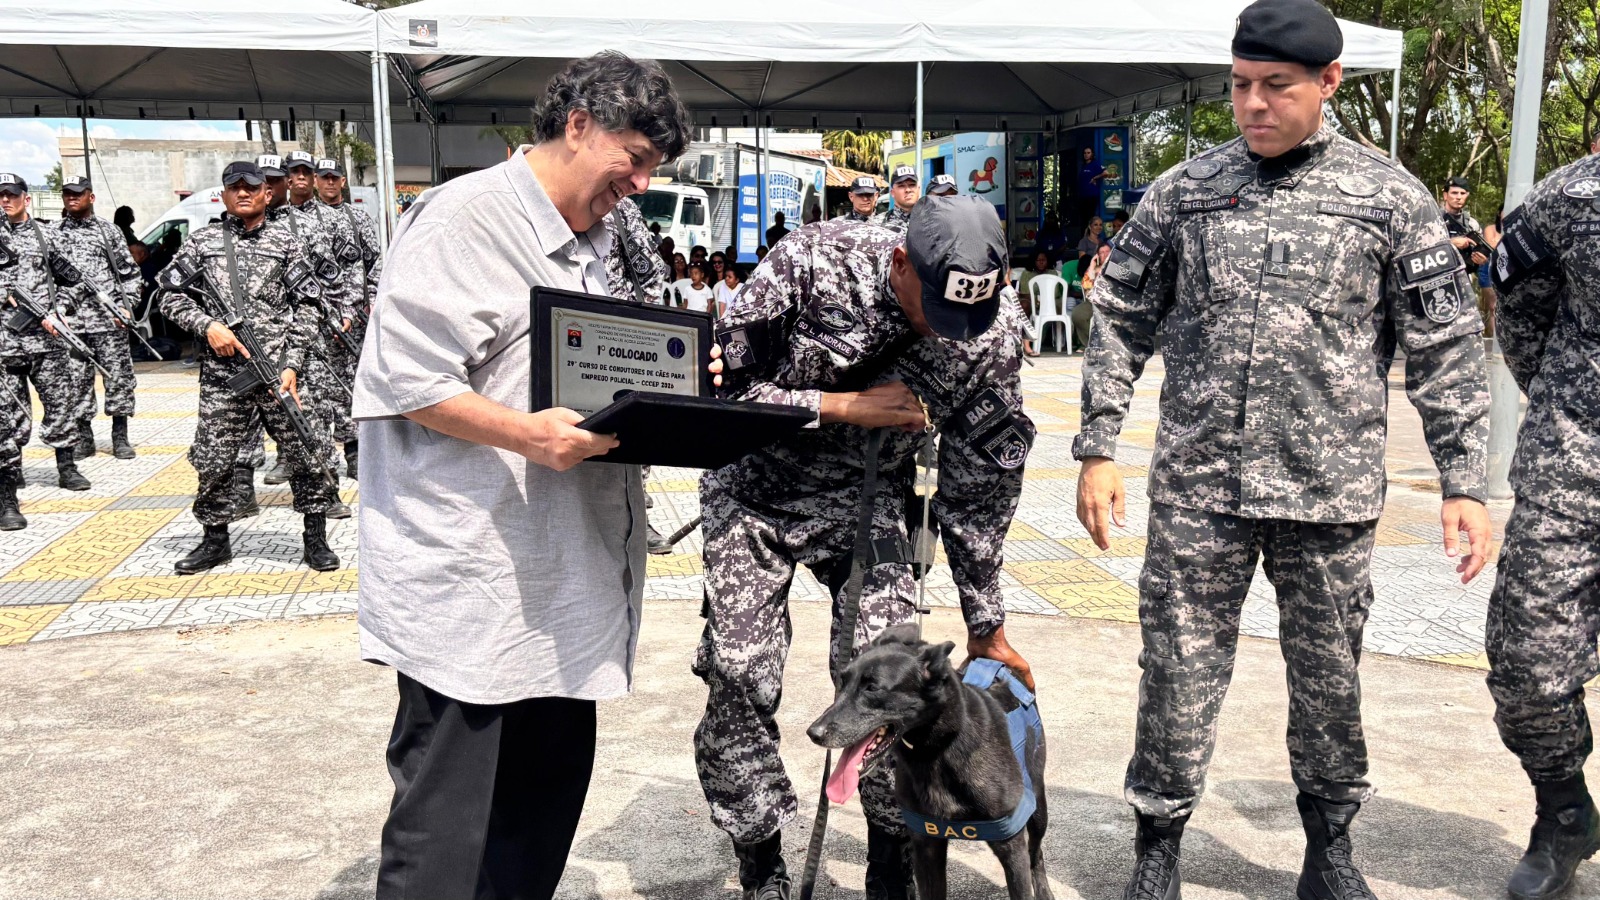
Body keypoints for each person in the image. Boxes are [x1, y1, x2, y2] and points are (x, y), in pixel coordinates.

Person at [1073, 2, 1492, 897]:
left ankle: (1329, 849)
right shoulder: (1186, 191)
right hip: (1200, 491)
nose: (1253, 105)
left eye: (1276, 87)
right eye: (1240, 87)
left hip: (1330, 495)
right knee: (1176, 670)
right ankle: (1158, 849)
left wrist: (1464, 481)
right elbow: (1117, 318)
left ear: (1328, 84)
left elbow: (1445, 344)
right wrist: (1097, 445)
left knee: (1331, 679)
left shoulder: (1388, 200)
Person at [350, 51, 691, 900]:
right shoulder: (467, 217)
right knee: (448, 832)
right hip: (474, 585)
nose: (642, 184)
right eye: (636, 159)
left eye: (655, 167)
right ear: (576, 124)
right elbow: (407, 378)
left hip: (560, 585)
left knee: (536, 819)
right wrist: (524, 435)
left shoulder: (602, 236)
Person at [698, 196, 1036, 900]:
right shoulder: (810, 262)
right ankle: (760, 852)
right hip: (754, 489)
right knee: (739, 671)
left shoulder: (991, 332)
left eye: (965, 315)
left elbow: (982, 482)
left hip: (871, 496)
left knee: (893, 674)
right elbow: (719, 391)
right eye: (932, 308)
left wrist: (986, 621)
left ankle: (893, 859)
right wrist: (840, 406)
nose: (945, 331)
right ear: (901, 262)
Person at [1486, 149, 1600, 900]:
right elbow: (1517, 298)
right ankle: (1563, 813)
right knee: (1527, 660)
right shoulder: (1575, 195)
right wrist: (1566, 393)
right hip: (1576, 457)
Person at [154, 161, 341, 575]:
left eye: (250, 187)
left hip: (279, 371)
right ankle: (215, 540)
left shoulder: (286, 243)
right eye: (233, 187)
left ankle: (316, 538)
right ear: (222, 195)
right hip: (225, 375)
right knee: (214, 457)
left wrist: (293, 362)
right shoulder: (202, 243)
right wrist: (207, 326)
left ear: (266, 194)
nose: (242, 193)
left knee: (306, 451)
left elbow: (308, 305)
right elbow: (167, 294)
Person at [0, 173, 94, 494]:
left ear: (26, 199)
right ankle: (12, 469)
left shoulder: (47, 236)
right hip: (5, 343)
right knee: (9, 410)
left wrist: (60, 311)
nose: (5, 200)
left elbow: (76, 281)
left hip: (46, 339)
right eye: (0, 195)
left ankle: (67, 466)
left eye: (11, 195)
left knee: (60, 402)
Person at [52, 175, 142, 460]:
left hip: (108, 320)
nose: (72, 198)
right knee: (76, 380)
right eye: (67, 193)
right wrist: (56, 311)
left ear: (90, 197)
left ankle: (120, 436)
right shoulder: (53, 233)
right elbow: (47, 279)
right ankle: (83, 437)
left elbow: (130, 274)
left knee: (118, 378)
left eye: (78, 193)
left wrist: (127, 307)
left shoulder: (109, 232)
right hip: (73, 323)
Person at [314, 156, 384, 481]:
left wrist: (371, 304)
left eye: (335, 177)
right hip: (315, 322)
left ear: (343, 181)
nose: (330, 182)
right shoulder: (303, 222)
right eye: (324, 177)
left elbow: (375, 264)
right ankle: (314, 461)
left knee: (353, 387)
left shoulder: (359, 219)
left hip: (355, 322)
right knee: (315, 389)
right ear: (316, 181)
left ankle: (355, 453)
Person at [603, 195, 671, 305]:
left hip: (615, 311)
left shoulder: (621, 207)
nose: (641, 185)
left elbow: (653, 271)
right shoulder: (622, 206)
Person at [1441, 176, 1489, 271]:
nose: (1459, 197)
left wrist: (1482, 259)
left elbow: (1481, 253)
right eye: (1454, 193)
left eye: (1462, 193)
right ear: (1445, 195)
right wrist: (1451, 243)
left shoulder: (1471, 224)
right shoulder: (1434, 220)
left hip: (1464, 276)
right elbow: (1421, 250)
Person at [1072, 243, 1110, 351]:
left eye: (1107, 252)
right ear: (1097, 256)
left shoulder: (1117, 267)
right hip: (1094, 302)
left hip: (1112, 303)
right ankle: (1091, 344)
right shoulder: (1093, 269)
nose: (1105, 254)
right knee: (1077, 314)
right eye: (1102, 253)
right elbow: (1086, 286)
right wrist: (1092, 266)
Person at [874, 164, 919, 234]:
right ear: (892, 192)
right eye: (901, 186)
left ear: (918, 189)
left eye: (912, 185)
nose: (908, 190)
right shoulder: (877, 223)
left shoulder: (932, 220)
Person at [1076, 146, 1108, 230]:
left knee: (1090, 219)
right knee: (1083, 220)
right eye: (1085, 153)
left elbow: (1106, 173)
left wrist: (1095, 177)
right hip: (1083, 196)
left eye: (1088, 153)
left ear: (1092, 154)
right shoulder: (1083, 166)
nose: (1086, 155)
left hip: (1091, 196)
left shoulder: (1095, 164)